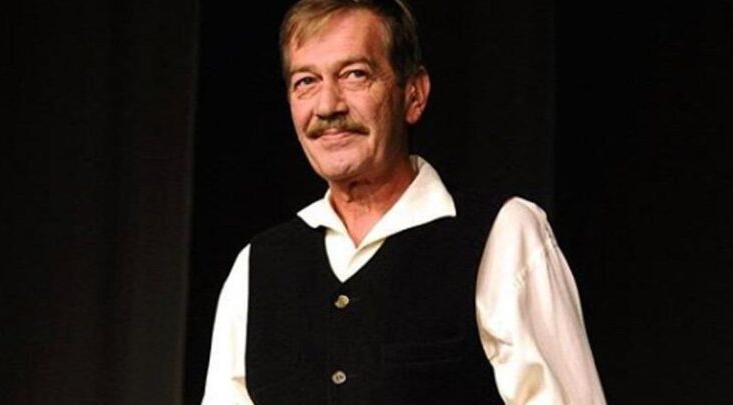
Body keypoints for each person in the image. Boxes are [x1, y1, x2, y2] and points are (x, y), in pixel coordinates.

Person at [203, 0, 606, 403]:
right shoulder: (257, 266)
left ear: (414, 95)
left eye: (355, 74)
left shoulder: (502, 235)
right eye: (306, 81)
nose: (327, 106)